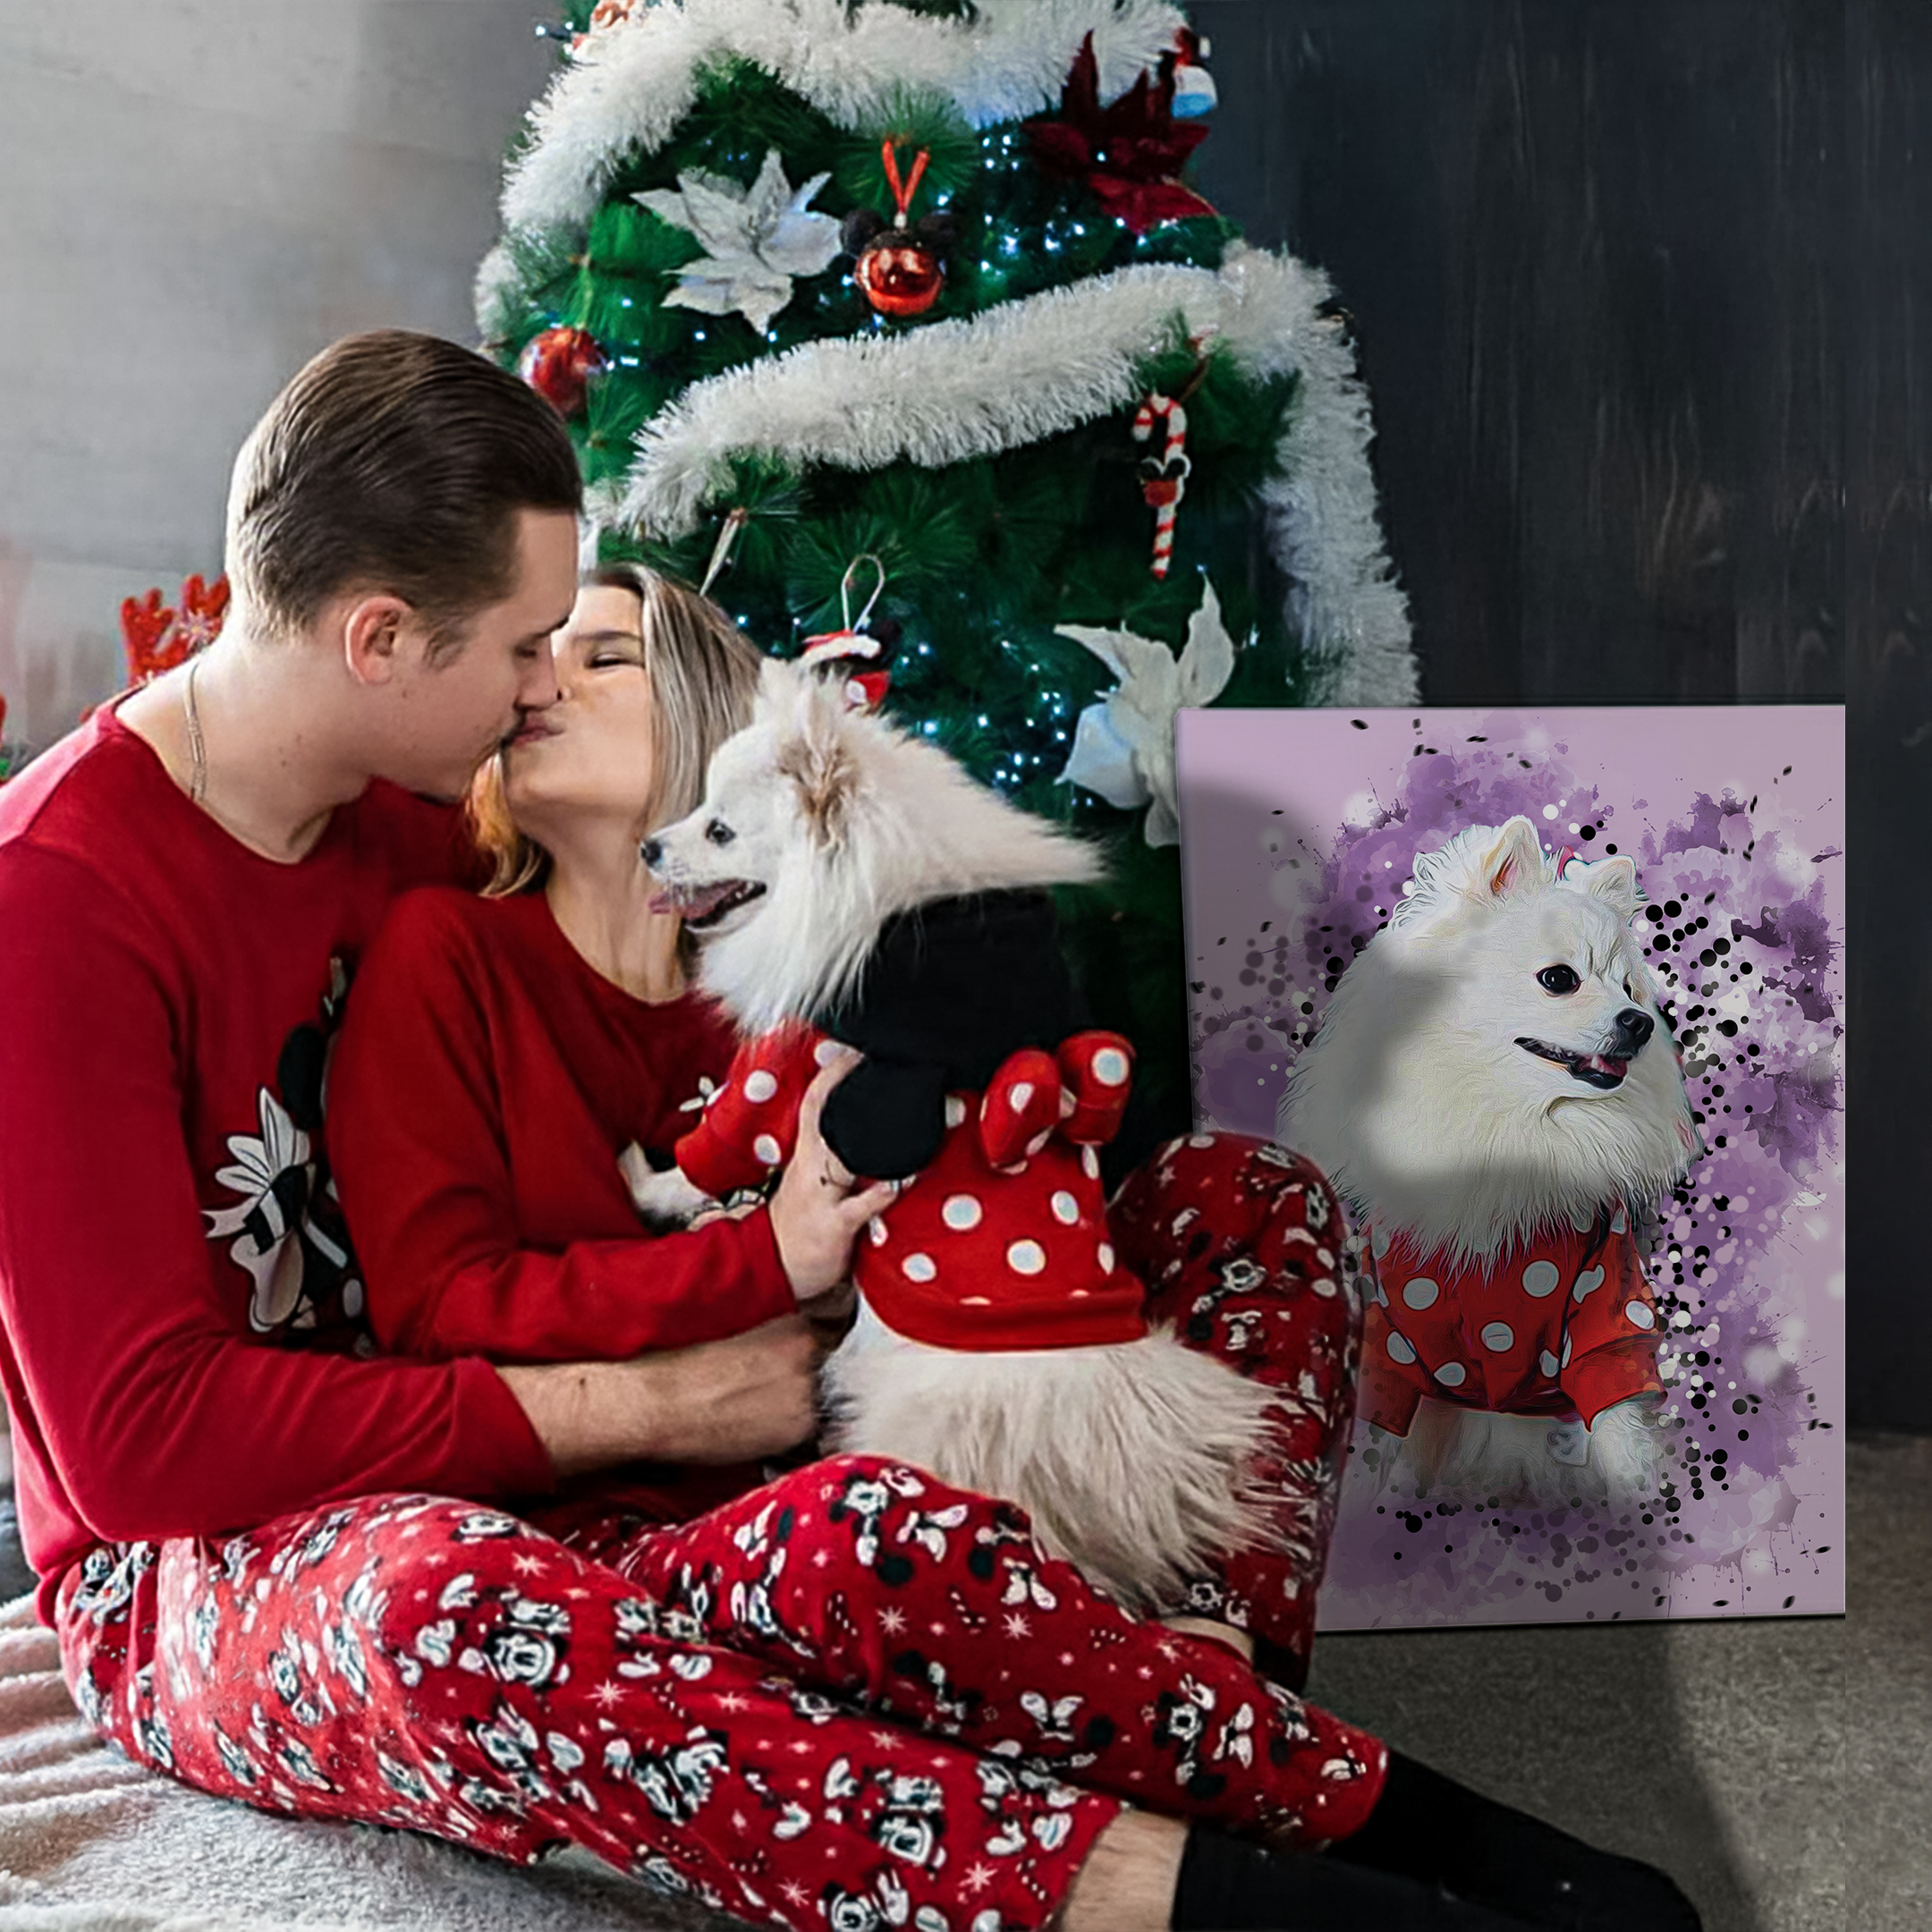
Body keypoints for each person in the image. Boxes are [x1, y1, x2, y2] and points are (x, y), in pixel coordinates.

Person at [0, 331, 1697, 1932]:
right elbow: (145, 1448)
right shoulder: (59, 901)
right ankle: (1203, 1885)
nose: (540, 693)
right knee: (446, 1618)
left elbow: (686, 975)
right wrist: (648, 1395)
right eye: (525, 649)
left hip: (659, 1464)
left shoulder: (432, 820)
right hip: (239, 1553)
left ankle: (1220, 1704)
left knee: (1230, 1205)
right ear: (379, 639)